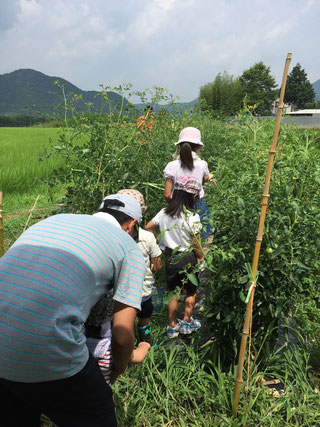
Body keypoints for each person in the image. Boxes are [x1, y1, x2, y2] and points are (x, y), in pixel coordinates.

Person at [0, 194, 146, 427]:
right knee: (97, 415)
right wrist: (118, 368)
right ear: (131, 225)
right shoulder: (128, 247)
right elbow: (121, 334)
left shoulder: (53, 221)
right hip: (47, 345)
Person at [145, 176, 204, 338]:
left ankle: (172, 326)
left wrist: (160, 240)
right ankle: (186, 321)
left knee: (173, 291)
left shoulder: (164, 212)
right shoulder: (192, 216)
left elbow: (148, 226)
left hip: (171, 256)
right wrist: (201, 259)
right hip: (188, 257)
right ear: (191, 197)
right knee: (191, 291)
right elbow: (196, 243)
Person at [117, 189, 162, 345]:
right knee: (144, 317)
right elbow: (157, 264)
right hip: (143, 290)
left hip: (120, 292)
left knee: (124, 320)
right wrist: (152, 268)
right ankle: (146, 340)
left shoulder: (112, 237)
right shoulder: (147, 237)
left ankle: (129, 343)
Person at [163, 127, 212, 239]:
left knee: (180, 238)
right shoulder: (202, 164)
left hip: (177, 206)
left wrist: (174, 205)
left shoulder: (172, 165)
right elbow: (206, 178)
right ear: (198, 146)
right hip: (197, 204)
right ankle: (200, 256)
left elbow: (166, 194)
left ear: (180, 146)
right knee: (201, 237)